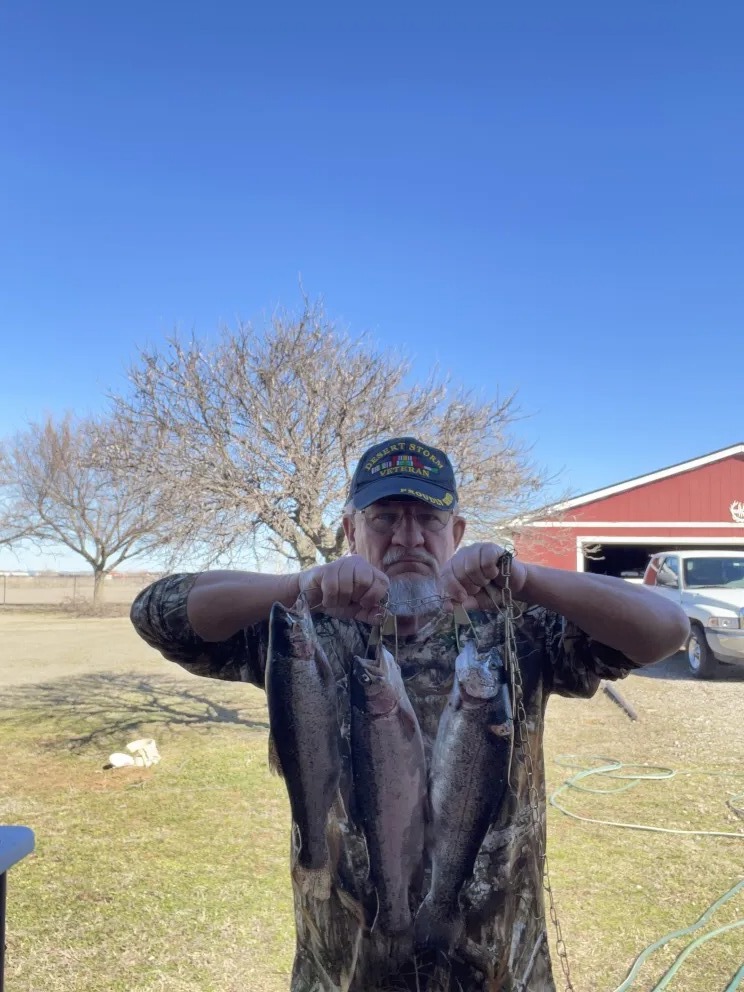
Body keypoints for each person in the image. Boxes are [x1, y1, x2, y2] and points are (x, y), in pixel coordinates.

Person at [131, 436, 689, 992]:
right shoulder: (302, 632)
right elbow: (156, 614)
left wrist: (527, 579)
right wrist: (299, 585)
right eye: (384, 519)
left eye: (427, 519)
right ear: (351, 531)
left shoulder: (517, 625)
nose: (407, 537)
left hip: (500, 972)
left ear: (457, 533)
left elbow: (666, 630)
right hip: (345, 972)